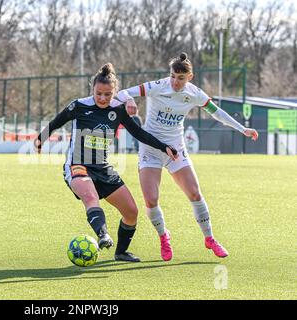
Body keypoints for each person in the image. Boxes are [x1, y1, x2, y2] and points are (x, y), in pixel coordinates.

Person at [117, 53, 259, 260]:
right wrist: (129, 99)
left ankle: (210, 239)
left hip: (176, 150)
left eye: (180, 78)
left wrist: (242, 129)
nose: (175, 81)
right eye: (173, 76)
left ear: (189, 77)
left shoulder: (195, 94)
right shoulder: (158, 86)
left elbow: (216, 112)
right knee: (151, 199)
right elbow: (121, 92)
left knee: (194, 193)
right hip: (151, 150)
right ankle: (164, 237)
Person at [34, 63, 178, 262]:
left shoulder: (118, 110)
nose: (102, 98)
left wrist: (164, 147)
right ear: (92, 89)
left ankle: (121, 252)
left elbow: (139, 133)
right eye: (98, 93)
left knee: (131, 212)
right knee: (90, 198)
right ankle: (103, 235)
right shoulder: (79, 106)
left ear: (114, 92)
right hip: (78, 165)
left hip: (102, 167)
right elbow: (56, 122)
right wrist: (40, 139)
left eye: (107, 94)